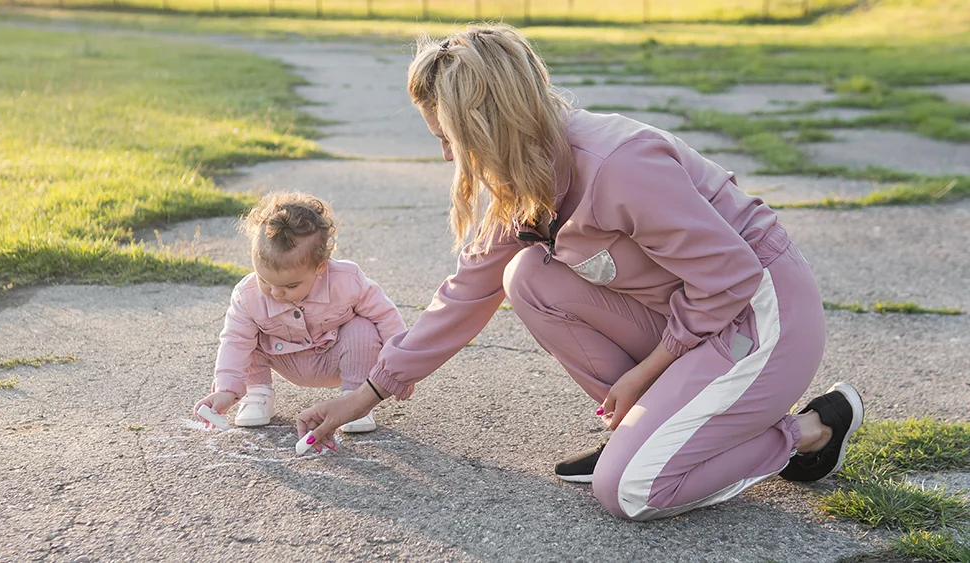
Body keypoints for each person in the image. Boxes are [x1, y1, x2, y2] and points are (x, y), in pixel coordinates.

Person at [294, 24, 864, 520]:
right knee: (528, 277)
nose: (447, 155)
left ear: (488, 125)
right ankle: (653, 433)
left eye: (450, 139)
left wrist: (644, 376)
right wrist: (364, 395)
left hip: (762, 320)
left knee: (631, 491)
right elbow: (465, 293)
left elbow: (732, 278)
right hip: (697, 319)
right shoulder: (525, 176)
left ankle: (809, 432)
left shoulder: (620, 166)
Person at [194, 192, 406, 435]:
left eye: (290, 285)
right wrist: (226, 390)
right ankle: (257, 393)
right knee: (248, 334)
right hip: (283, 357)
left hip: (333, 356)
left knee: (363, 328)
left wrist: (400, 369)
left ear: (320, 267)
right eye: (265, 280)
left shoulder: (347, 281)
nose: (276, 292)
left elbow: (386, 316)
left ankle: (355, 400)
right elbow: (234, 340)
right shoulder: (248, 295)